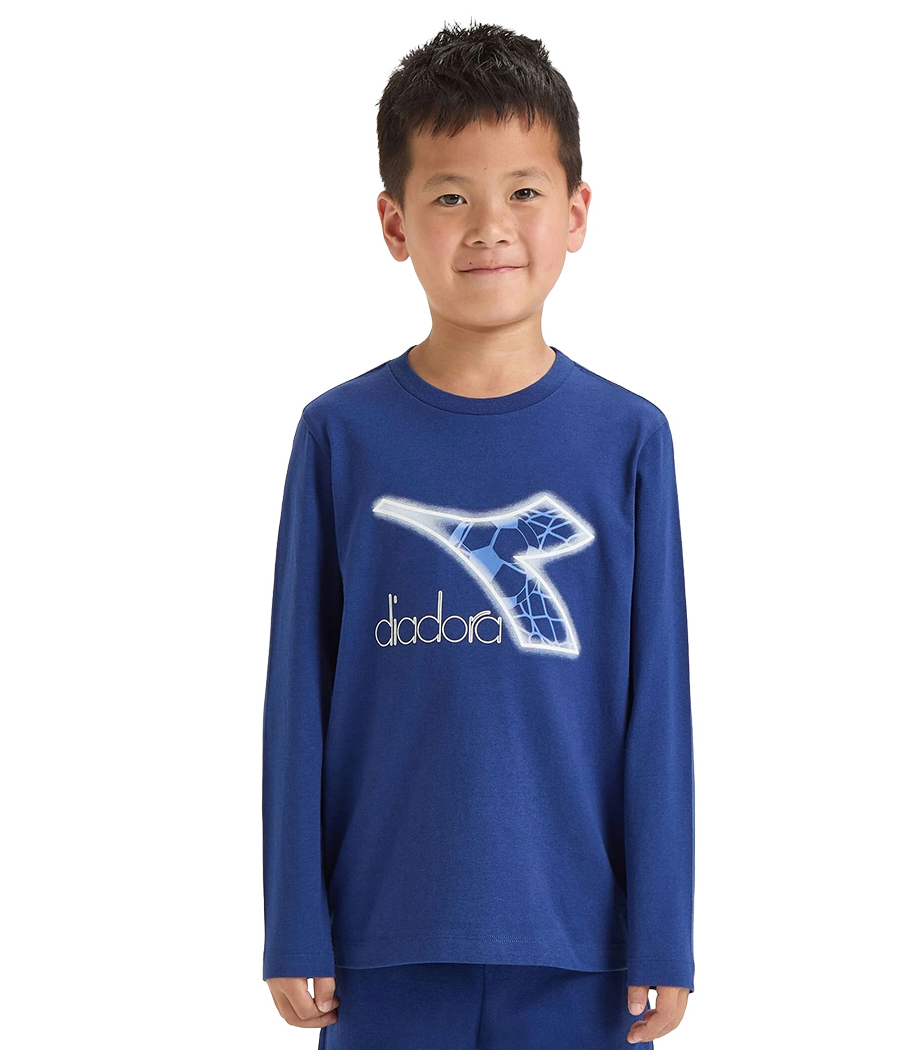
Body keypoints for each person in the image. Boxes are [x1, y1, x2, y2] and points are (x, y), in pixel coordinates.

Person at [262, 20, 695, 1049]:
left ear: (576, 213)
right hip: (379, 944)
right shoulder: (340, 436)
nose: (490, 227)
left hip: (582, 950)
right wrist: (293, 920)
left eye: (524, 192)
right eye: (451, 196)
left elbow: (658, 704)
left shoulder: (629, 439)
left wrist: (665, 933)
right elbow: (297, 694)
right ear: (394, 221)